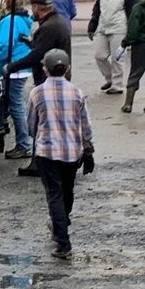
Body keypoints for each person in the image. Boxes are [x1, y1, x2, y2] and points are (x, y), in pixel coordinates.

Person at [27, 47, 96, 260]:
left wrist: (37, 137)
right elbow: (85, 125)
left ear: (45, 70)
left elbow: (31, 125)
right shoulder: (76, 92)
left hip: (47, 152)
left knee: (54, 195)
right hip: (71, 152)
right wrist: (88, 150)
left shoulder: (37, 93)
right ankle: (62, 221)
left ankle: (63, 241)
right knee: (67, 191)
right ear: (67, 69)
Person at [19, 0, 72, 175]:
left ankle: (39, 162)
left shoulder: (49, 27)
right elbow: (42, 47)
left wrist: (12, 67)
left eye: (31, 7)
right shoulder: (56, 22)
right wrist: (29, 42)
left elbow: (38, 55)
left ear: (37, 7)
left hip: (49, 79)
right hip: (59, 76)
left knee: (41, 121)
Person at [0, 0, 35, 155]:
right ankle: (24, 142)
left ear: (6, 4)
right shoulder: (22, 20)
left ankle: (24, 144)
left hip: (13, 69)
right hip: (21, 67)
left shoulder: (9, 21)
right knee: (16, 104)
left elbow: (3, 46)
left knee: (16, 105)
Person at [87, 0, 128, 94]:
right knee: (99, 55)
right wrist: (92, 26)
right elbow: (97, 10)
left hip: (119, 29)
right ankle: (110, 78)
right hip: (103, 28)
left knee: (117, 58)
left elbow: (131, 10)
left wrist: (131, 31)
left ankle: (118, 85)